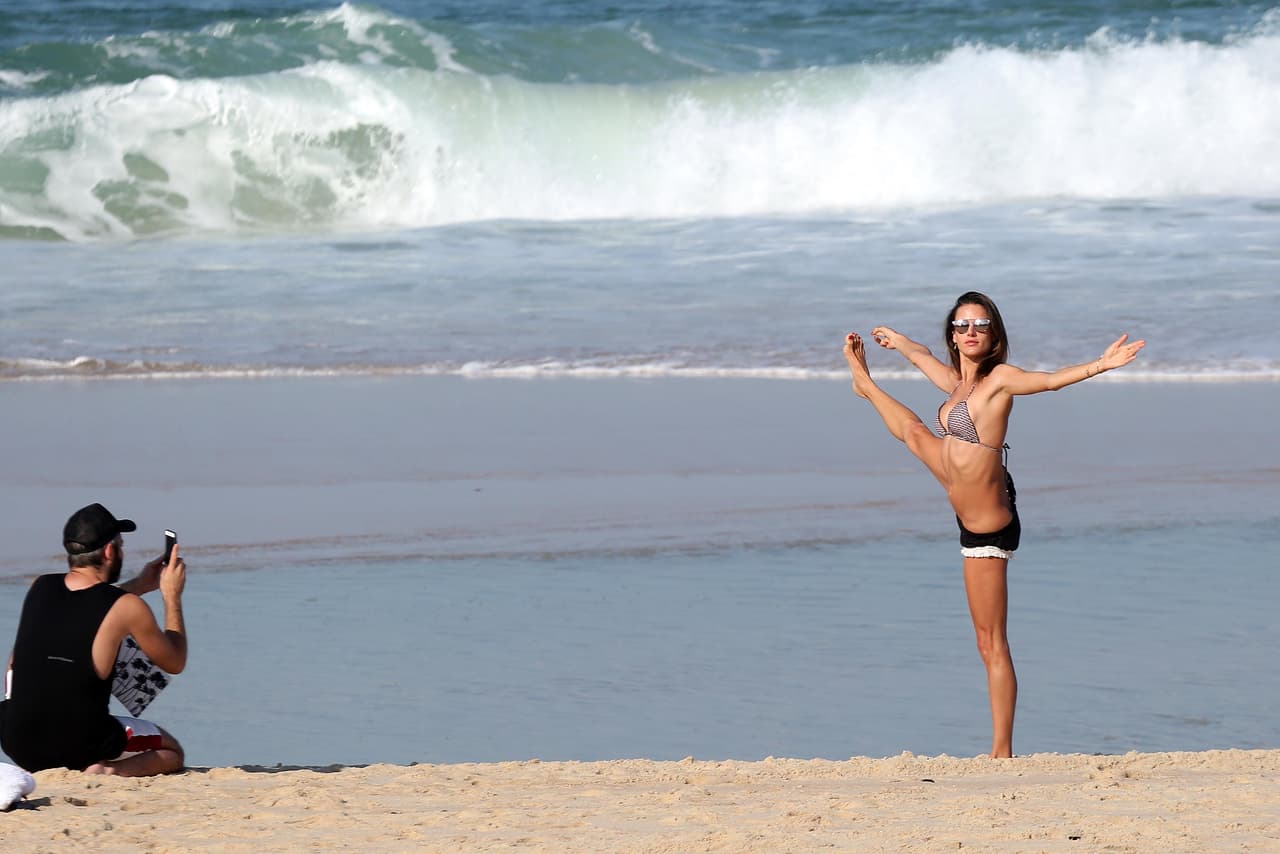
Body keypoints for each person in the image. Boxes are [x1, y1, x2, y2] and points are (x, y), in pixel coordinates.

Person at [843, 292, 1144, 758]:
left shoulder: (999, 380)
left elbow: (1048, 382)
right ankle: (866, 387)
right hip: (962, 498)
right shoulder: (956, 385)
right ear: (953, 335)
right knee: (915, 432)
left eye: (981, 325)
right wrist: (899, 341)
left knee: (991, 643)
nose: (971, 331)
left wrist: (1100, 365)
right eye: (962, 325)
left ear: (994, 334)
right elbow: (923, 357)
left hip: (987, 528)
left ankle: (1002, 751)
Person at [1, 503, 188, 776]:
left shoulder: (39, 586)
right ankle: (108, 771)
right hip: (80, 745)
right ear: (110, 551)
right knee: (172, 751)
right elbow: (175, 661)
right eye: (121, 546)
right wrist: (172, 596)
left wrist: (139, 585)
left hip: (17, 743)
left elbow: (86, 607)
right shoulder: (127, 607)